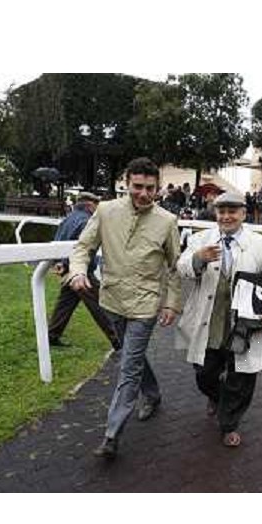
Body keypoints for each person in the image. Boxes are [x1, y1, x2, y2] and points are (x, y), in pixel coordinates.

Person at [69, 157, 182, 459]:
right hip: (111, 300)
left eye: (149, 188)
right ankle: (154, 394)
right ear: (126, 183)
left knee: (128, 367)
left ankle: (111, 435)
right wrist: (78, 271)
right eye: (137, 187)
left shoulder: (167, 222)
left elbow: (174, 267)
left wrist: (171, 303)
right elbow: (83, 247)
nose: (143, 194)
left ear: (158, 188)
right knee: (131, 354)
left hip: (145, 305)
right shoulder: (105, 211)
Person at [176, 192, 262, 448]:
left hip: (245, 324)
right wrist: (197, 259)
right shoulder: (200, 240)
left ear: (243, 214)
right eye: (221, 211)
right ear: (215, 213)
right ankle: (217, 397)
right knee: (204, 374)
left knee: (241, 378)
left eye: (232, 211)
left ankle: (229, 423)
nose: (226, 217)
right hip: (210, 321)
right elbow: (182, 268)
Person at [47, 192, 121, 350]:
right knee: (100, 304)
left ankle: (52, 336)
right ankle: (118, 340)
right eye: (96, 205)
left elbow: (58, 242)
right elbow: (82, 249)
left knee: (65, 303)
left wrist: (60, 264)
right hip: (81, 272)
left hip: (66, 268)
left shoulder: (67, 219)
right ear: (89, 205)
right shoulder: (87, 221)